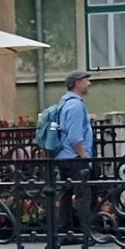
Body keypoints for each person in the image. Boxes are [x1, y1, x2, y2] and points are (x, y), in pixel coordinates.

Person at [39, 70, 95, 232]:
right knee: (83, 193)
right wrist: (84, 157)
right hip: (75, 156)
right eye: (86, 80)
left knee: (65, 192)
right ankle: (88, 232)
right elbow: (75, 137)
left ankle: (64, 230)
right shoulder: (76, 105)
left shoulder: (65, 102)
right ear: (77, 83)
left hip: (63, 155)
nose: (89, 83)